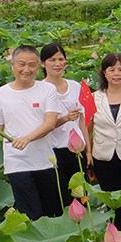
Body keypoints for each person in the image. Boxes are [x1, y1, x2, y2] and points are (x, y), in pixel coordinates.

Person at [0, 45, 67, 219]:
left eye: (32, 65)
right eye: (22, 64)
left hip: (45, 161)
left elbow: (50, 123)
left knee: (52, 213)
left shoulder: (47, 90)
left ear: (38, 66)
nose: (27, 69)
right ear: (13, 66)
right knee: (31, 214)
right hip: (17, 163)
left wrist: (27, 139)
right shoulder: (1, 94)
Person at [87, 52, 121, 227]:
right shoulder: (93, 98)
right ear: (104, 73)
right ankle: (114, 235)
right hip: (103, 156)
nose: (116, 74)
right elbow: (88, 128)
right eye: (112, 69)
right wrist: (88, 152)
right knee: (111, 200)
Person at [40, 42, 84, 196]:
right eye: (52, 60)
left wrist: (89, 149)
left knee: (80, 194)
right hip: (51, 150)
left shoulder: (75, 86)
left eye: (61, 59)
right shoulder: (39, 89)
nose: (57, 63)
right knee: (59, 194)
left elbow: (83, 121)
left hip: (77, 150)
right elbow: (42, 125)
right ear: (43, 63)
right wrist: (65, 118)